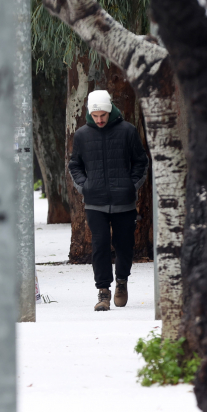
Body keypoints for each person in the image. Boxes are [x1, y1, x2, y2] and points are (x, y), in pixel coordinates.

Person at [68, 90, 149, 311]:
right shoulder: (82, 135)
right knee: (100, 244)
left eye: (103, 115)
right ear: (89, 114)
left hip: (124, 200)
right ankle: (103, 291)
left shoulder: (128, 131)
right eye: (95, 116)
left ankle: (121, 282)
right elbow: (74, 164)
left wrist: (131, 185)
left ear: (110, 109)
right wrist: (84, 186)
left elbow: (141, 162)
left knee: (124, 245)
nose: (100, 119)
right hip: (95, 201)